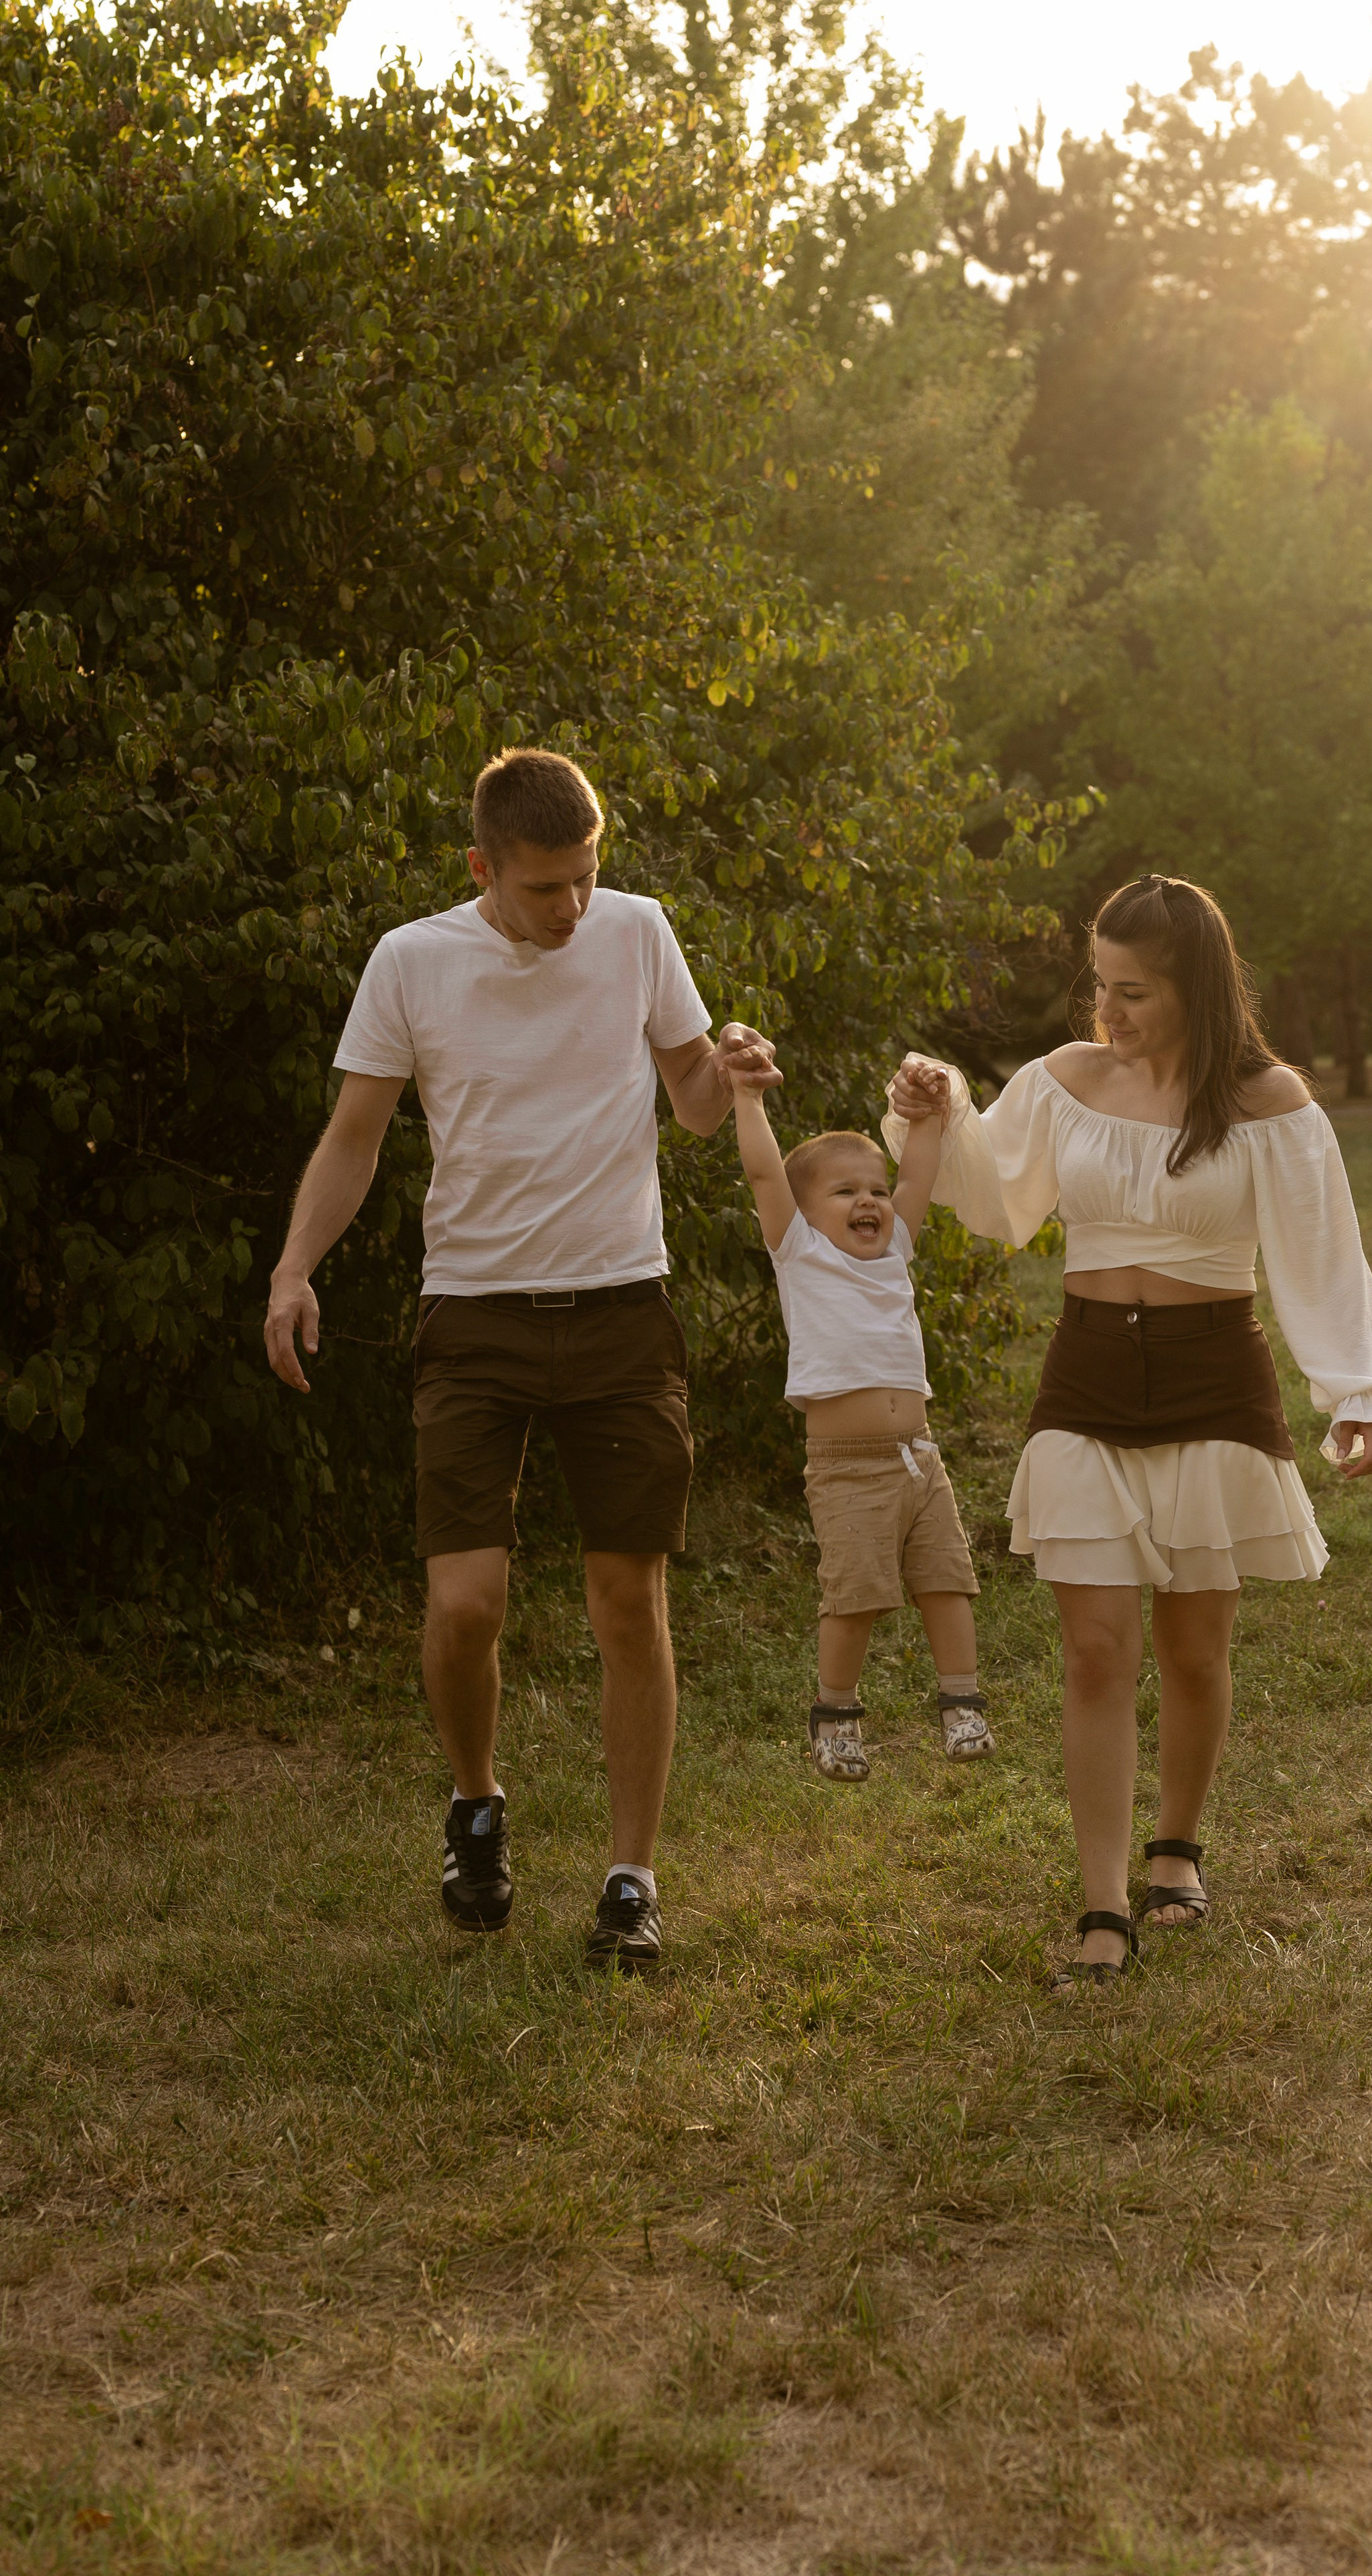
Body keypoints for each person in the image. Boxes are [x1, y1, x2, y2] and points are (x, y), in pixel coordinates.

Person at [264, 746, 778, 1970]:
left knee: (626, 1598)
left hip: (620, 1309)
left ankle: (630, 1878)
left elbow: (694, 1105)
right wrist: (293, 1267)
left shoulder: (638, 930)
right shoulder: (413, 960)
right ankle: (476, 1806)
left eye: (587, 878)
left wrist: (733, 1068)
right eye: (546, 888)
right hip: (477, 1316)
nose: (574, 909)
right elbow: (355, 1135)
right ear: (484, 866)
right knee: (466, 1601)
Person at [885, 876, 1372, 1990]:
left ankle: (1178, 1845)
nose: (1108, 1012)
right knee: (1094, 1649)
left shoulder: (1267, 1100)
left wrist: (1358, 1392)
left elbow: (1325, 1254)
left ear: (1198, 990)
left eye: (1135, 993)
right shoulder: (1066, 1081)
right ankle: (1105, 1897)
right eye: (1101, 986)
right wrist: (935, 1107)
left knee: (1194, 1646)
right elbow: (992, 1197)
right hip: (1086, 1378)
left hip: (1217, 1378)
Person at [730, 1062, 991, 1782]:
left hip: (919, 1455)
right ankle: (836, 1713)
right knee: (856, 1592)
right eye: (844, 1191)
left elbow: (921, 1171)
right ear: (805, 1211)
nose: (869, 1201)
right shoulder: (800, 1252)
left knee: (947, 1578)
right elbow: (761, 1174)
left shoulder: (896, 1247)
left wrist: (931, 1115)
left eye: (875, 1189)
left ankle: (962, 1701)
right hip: (847, 1464)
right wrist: (747, 1096)